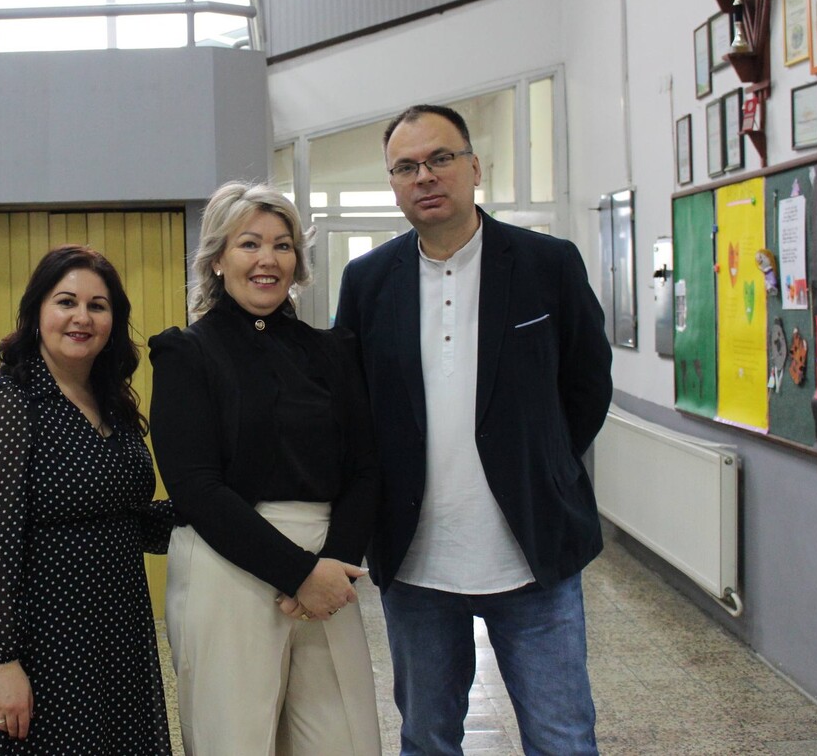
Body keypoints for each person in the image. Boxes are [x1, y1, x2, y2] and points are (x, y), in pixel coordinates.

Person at [335, 105, 613, 756]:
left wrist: (543, 466)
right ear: (393, 184)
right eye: (406, 167)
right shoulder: (367, 282)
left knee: (563, 739)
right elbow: (354, 409)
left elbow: (587, 385)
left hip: (532, 557)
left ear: (474, 167)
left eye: (441, 158)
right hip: (417, 564)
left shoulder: (547, 264)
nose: (425, 176)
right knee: (428, 740)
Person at [148, 181, 382, 756]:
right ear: (218, 258)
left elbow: (365, 467)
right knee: (237, 741)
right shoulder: (187, 353)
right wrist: (298, 574)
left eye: (282, 245)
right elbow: (196, 487)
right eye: (249, 244)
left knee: (342, 740)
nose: (268, 260)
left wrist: (333, 567)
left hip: (328, 568)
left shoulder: (333, 351)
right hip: (227, 563)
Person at [0, 244, 174, 755]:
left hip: (115, 638)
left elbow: (124, 520)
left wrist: (212, 507)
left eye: (98, 305)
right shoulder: (8, 402)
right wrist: (1, 663)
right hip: (40, 644)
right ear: (36, 313)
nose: (82, 317)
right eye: (66, 302)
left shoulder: (113, 404)